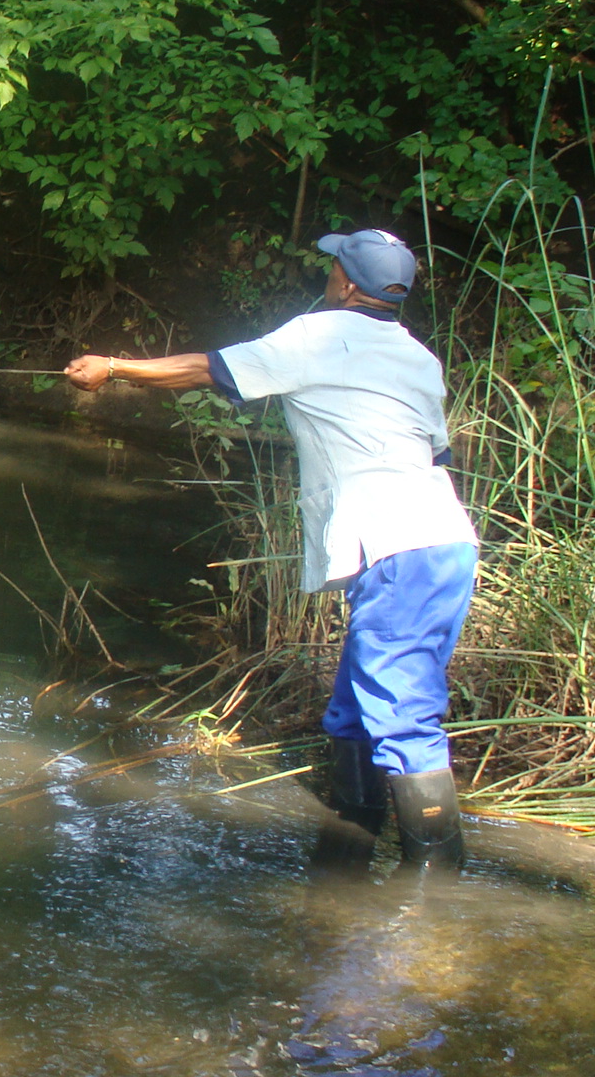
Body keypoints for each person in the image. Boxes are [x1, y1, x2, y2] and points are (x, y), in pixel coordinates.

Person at [61, 230, 478, 875]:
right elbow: (437, 453)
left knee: (400, 712)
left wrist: (112, 369)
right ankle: (351, 843)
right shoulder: (418, 357)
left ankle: (437, 878)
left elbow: (209, 368)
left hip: (400, 548)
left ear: (347, 282)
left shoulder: (319, 334)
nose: (329, 273)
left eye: (334, 265)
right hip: (443, 543)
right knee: (353, 710)